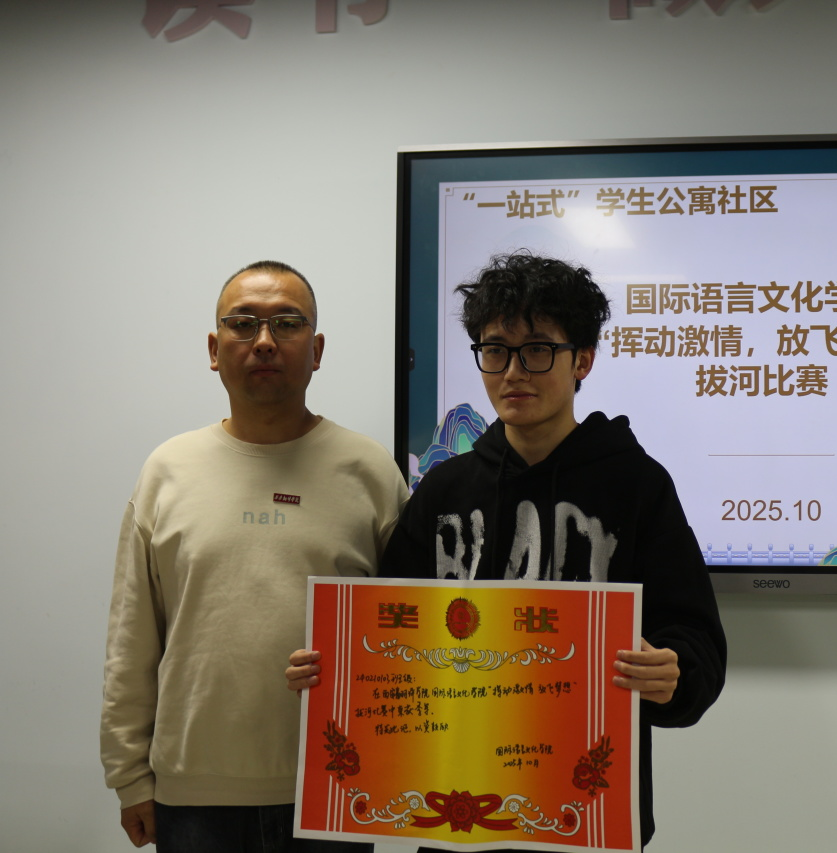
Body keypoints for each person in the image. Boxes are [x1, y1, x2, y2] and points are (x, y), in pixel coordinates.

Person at [287, 251, 727, 850]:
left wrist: (673, 671)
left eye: (537, 350)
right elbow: (386, 628)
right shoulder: (443, 489)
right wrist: (334, 672)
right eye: (495, 350)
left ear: (583, 360)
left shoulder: (637, 485)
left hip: (584, 817)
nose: (514, 371)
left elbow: (696, 640)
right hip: (455, 812)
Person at [101, 261, 408, 851]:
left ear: (317, 350)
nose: (264, 341)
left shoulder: (370, 471)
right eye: (243, 324)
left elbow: (408, 636)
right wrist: (129, 776)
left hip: (335, 785)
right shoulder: (168, 470)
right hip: (193, 792)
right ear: (214, 350)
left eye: (287, 324)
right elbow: (131, 640)